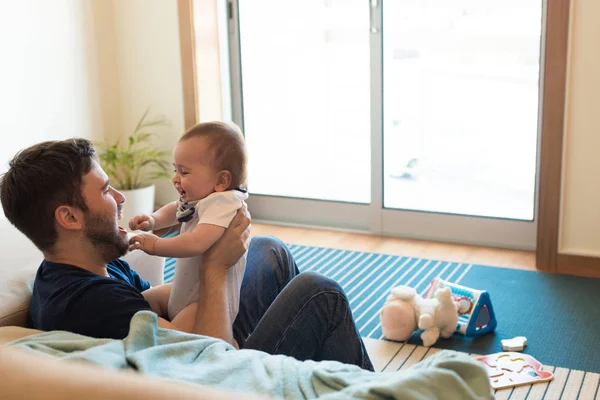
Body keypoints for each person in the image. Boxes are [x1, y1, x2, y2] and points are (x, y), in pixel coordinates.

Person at [0, 138, 373, 370]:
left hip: (199, 343)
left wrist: (205, 260)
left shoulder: (91, 266)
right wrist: (213, 267)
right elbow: (208, 360)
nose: (120, 198)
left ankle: (316, 373)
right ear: (68, 217)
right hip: (214, 377)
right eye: (105, 190)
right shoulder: (90, 304)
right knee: (318, 293)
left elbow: (162, 304)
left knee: (267, 251)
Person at [129, 122, 249, 334]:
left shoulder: (224, 202)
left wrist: (156, 245)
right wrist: (153, 220)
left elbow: (196, 243)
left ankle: (234, 344)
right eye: (176, 170)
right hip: (183, 289)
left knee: (179, 335)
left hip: (203, 300)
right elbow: (175, 209)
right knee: (138, 303)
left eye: (184, 172)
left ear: (222, 180)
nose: (176, 179)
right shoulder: (202, 197)